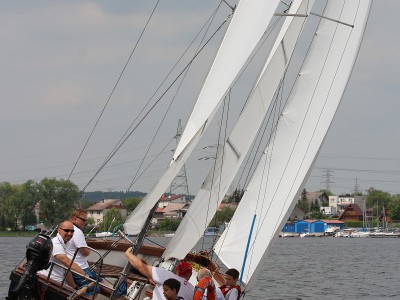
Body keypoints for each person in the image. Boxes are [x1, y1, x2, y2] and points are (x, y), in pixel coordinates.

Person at [125, 247, 194, 300]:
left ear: (177, 270)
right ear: (190, 274)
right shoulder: (192, 290)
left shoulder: (166, 275)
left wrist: (128, 254)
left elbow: (141, 267)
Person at [66, 209, 108, 293]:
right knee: (95, 290)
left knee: (101, 280)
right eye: (83, 220)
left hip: (75, 266)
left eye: (86, 220)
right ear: (74, 218)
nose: (85, 222)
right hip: (80, 268)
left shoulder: (65, 228)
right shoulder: (77, 232)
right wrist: (87, 248)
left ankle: (122, 296)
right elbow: (86, 253)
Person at [38, 220, 87, 288]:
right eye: (66, 230)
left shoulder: (64, 244)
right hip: (50, 281)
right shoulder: (56, 243)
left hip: (58, 281)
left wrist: (75, 288)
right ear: (59, 230)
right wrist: (85, 275)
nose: (69, 233)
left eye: (72, 231)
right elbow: (67, 262)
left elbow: (67, 270)